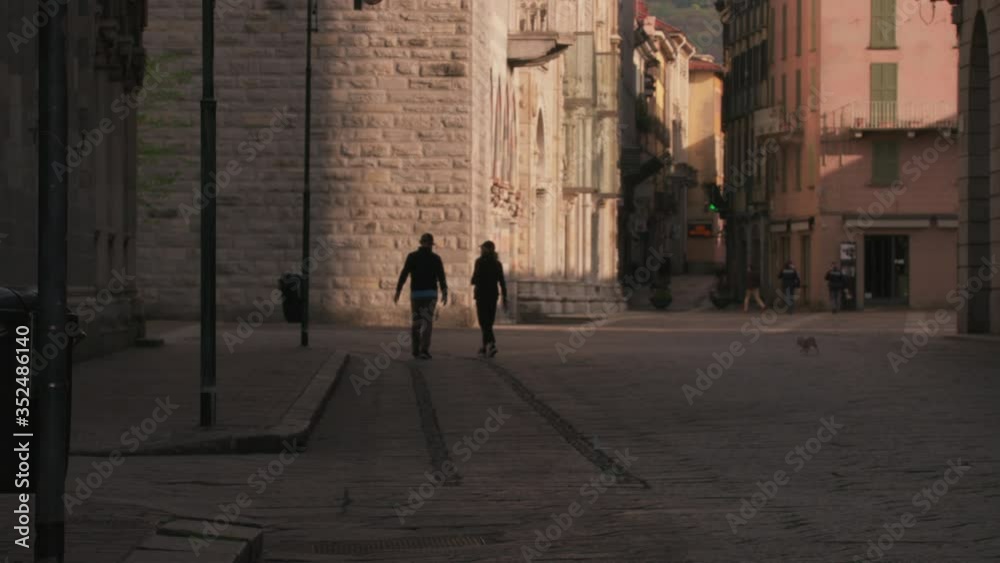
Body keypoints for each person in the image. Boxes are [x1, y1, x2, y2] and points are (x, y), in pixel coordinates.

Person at [394, 233, 448, 359]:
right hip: (431, 294)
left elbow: (404, 274)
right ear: (431, 244)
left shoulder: (412, 256)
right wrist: (445, 292)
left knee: (416, 322)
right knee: (427, 322)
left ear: (420, 242)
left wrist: (398, 290)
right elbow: (441, 277)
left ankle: (415, 350)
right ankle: (424, 350)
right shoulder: (436, 258)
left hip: (416, 294)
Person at [470, 241, 508, 358]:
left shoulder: (479, 262)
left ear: (487, 249)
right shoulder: (498, 264)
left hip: (481, 295)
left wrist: (475, 280)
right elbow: (501, 281)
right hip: (493, 295)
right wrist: (504, 297)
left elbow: (474, 279)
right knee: (489, 321)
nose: (481, 250)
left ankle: (491, 344)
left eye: (483, 248)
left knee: (483, 321)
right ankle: (485, 346)